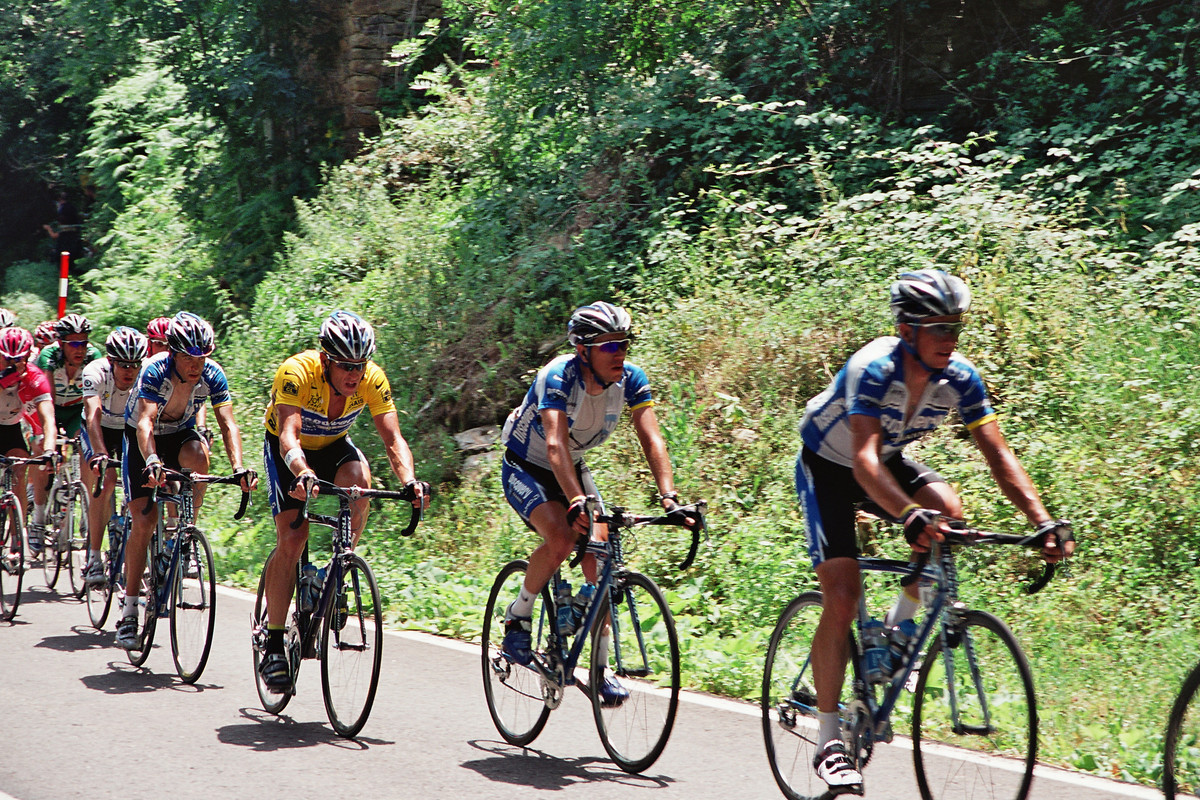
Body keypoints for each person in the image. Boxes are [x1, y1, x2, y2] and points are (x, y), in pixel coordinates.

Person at [795, 269, 1075, 795]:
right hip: (830, 467)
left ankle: (899, 627)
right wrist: (906, 515)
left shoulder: (961, 378)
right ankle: (829, 741)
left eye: (956, 327)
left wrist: (1041, 520)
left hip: (888, 461)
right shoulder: (873, 369)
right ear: (907, 330)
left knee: (948, 509)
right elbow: (860, 461)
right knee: (841, 592)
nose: (950, 339)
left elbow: (998, 453)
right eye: (938, 328)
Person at [497, 301, 690, 706]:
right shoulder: (558, 376)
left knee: (600, 564)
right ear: (584, 350)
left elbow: (652, 438)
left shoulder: (631, 380)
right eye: (609, 346)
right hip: (527, 463)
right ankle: (518, 616)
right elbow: (553, 445)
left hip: (573, 464)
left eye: (624, 343)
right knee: (564, 538)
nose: (620, 353)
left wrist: (670, 498)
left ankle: (598, 670)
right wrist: (577, 501)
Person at [257, 310, 428, 690]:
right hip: (290, 452)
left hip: (333, 447)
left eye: (360, 365)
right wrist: (301, 470)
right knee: (293, 538)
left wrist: (410, 481)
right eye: (346, 365)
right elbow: (289, 433)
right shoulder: (296, 373)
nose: (355, 374)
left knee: (360, 482)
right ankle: (272, 641)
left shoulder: (372, 379)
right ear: (326, 360)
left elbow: (393, 439)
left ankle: (337, 570)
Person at [116, 311, 257, 649]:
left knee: (199, 455)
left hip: (180, 433)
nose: (196, 364)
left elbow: (228, 424)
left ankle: (183, 534)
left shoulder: (213, 375)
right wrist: (151, 460)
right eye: (188, 357)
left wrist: (239, 466)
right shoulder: (154, 369)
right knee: (145, 520)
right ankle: (130, 610)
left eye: (202, 356)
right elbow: (145, 422)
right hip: (142, 438)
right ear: (172, 353)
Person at [28, 314, 102, 552]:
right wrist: (53, 439)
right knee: (41, 448)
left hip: (77, 410)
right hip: (52, 408)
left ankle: (85, 520)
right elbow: (45, 398)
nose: (80, 349)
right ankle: (38, 520)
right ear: (61, 343)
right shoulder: (49, 357)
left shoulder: (94, 357)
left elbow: (95, 400)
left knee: (88, 451)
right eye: (73, 343)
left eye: (83, 342)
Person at [79, 327, 147, 586]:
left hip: (128, 429)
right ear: (111, 361)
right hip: (100, 428)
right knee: (105, 481)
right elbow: (93, 414)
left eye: (134, 364)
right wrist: (99, 453)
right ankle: (94, 557)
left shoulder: (146, 375)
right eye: (123, 364)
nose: (129, 371)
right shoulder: (95, 372)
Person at [0, 328, 56, 566]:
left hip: (10, 428)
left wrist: (50, 451)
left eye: (20, 359)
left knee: (20, 470)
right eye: (8, 359)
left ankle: (16, 542)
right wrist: (9, 376)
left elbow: (48, 420)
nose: (15, 363)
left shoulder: (35, 378)